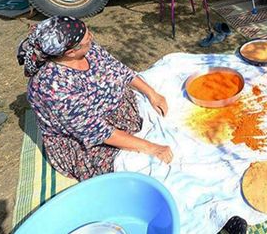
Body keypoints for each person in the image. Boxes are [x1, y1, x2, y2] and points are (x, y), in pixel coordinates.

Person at [17, 16, 173, 181]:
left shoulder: (87, 49)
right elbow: (98, 132)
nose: (91, 37)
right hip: (89, 142)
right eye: (87, 38)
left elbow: (118, 69)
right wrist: (153, 148)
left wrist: (152, 94)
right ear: (70, 52)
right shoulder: (52, 87)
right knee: (146, 171)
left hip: (115, 115)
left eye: (88, 31)